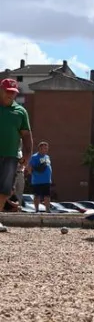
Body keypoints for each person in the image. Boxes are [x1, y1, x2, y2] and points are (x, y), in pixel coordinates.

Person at [0, 78, 33, 231]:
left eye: (13, 93)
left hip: (10, 156)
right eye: (8, 91)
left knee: (5, 190)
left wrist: (27, 155)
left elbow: (26, 135)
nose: (10, 95)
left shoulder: (20, 111)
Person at [29, 141, 53, 213]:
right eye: (44, 148)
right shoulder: (34, 157)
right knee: (37, 195)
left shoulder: (47, 157)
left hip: (47, 180)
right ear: (39, 148)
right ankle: (36, 209)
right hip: (37, 180)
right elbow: (30, 168)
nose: (46, 149)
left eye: (47, 148)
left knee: (47, 195)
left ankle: (47, 210)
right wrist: (35, 173)